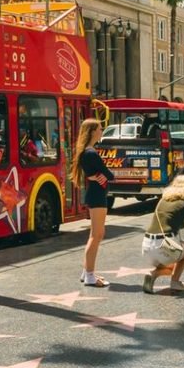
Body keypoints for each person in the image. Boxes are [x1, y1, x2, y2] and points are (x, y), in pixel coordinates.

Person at [142, 174, 184, 293]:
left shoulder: (163, 200)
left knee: (171, 265)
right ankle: (175, 282)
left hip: (147, 248)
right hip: (163, 247)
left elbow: (172, 223)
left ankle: (152, 274)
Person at [68, 118, 113, 288]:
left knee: (96, 235)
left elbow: (103, 174)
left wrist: (99, 175)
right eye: (100, 129)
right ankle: (89, 275)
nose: (102, 131)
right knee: (96, 235)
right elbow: (109, 174)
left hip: (96, 194)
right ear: (92, 131)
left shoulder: (88, 152)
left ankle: (86, 271)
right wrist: (103, 175)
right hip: (97, 196)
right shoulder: (91, 153)